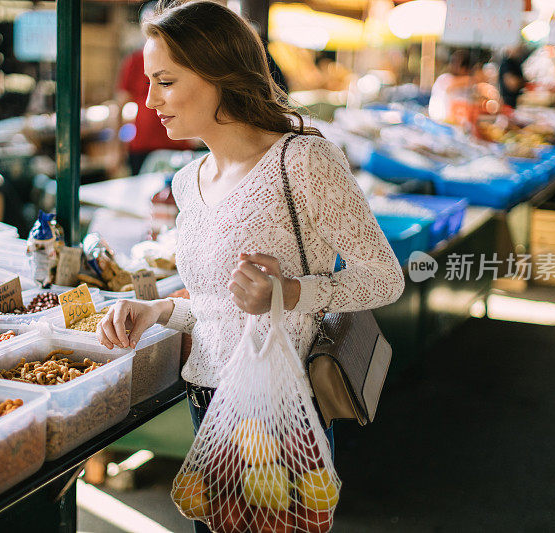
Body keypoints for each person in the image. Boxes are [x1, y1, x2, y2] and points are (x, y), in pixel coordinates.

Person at [97, 2, 404, 531]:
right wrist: (161, 310)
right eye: (149, 81)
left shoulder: (302, 160)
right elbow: (223, 305)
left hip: (281, 409)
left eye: (166, 81)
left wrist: (288, 292)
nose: (150, 100)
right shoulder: (186, 182)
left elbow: (384, 277)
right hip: (207, 403)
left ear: (218, 73)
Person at [116, 2, 191, 175]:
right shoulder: (134, 61)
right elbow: (120, 105)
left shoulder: (183, 59)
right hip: (143, 144)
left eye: (166, 82)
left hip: (176, 145)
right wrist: (117, 149)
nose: (152, 101)